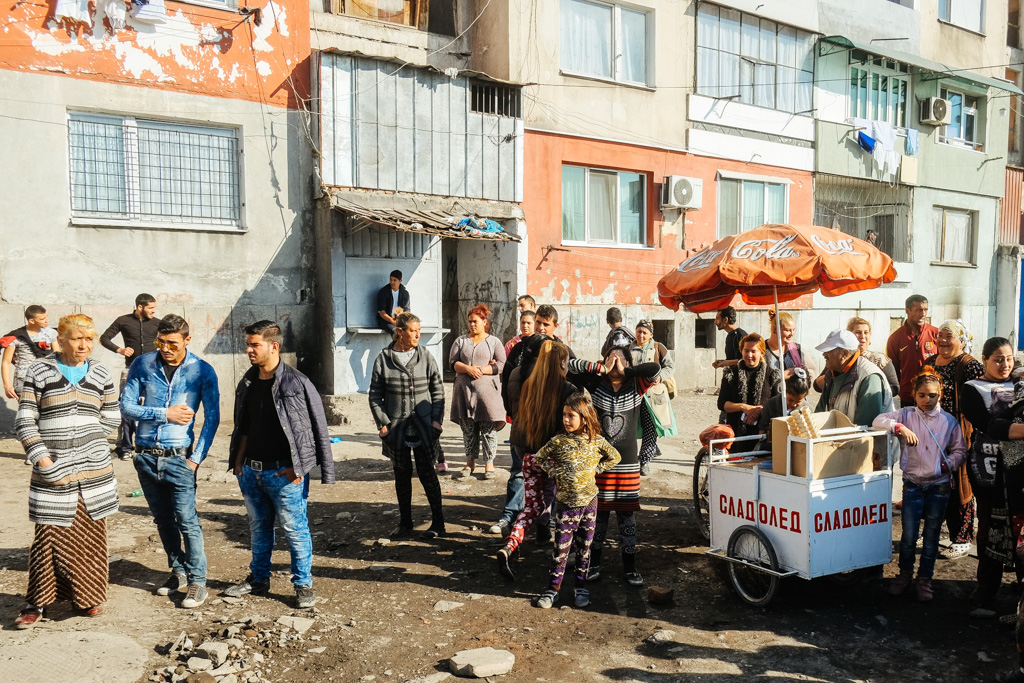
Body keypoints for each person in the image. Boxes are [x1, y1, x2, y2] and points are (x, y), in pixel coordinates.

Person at [13, 314, 119, 629]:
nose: (84, 345)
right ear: (62, 339)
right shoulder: (39, 370)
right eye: (77, 338)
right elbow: (25, 419)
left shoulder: (101, 372)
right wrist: (43, 458)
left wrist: (91, 447)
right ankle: (37, 603)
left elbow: (112, 416)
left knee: (90, 537)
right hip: (51, 471)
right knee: (48, 537)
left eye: (89, 339)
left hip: (93, 472)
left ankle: (87, 598)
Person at [223, 321, 336, 608]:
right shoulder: (247, 381)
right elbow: (243, 427)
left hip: (284, 474)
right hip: (251, 472)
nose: (248, 350)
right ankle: (258, 579)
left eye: (254, 345)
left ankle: (302, 584)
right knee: (259, 527)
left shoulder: (296, 382)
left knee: (295, 529)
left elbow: (314, 429)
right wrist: (239, 464)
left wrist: (299, 470)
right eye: (247, 344)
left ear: (274, 346)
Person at [121, 314, 220, 609]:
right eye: (161, 342)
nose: (166, 348)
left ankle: (197, 582)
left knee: (187, 521)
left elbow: (212, 419)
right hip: (145, 456)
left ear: (187, 340)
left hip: (179, 458)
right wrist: (163, 414)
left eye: (172, 343)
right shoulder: (142, 364)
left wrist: (196, 460)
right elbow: (125, 407)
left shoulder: (202, 370)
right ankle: (177, 572)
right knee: (163, 520)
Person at [874, 368, 967, 602]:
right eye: (922, 395)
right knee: (908, 535)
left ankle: (925, 579)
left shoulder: (949, 421)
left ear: (941, 395)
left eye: (932, 395)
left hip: (939, 487)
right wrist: (899, 428)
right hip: (913, 485)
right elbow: (878, 420)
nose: (927, 400)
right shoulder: (905, 415)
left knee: (932, 535)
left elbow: (960, 451)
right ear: (914, 395)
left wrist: (947, 466)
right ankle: (904, 575)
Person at [574, 347, 661, 586]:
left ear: (628, 363)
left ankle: (631, 568)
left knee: (627, 517)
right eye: (611, 358)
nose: (615, 362)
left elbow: (655, 369)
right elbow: (570, 368)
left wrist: (627, 370)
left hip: (628, 466)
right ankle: (595, 563)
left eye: (620, 358)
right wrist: (598, 367)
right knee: (598, 516)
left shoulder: (636, 386)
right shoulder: (595, 385)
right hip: (600, 465)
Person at [498, 338, 579, 577]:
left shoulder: (528, 384)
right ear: (562, 363)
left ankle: (511, 544)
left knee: (531, 504)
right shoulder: (567, 389)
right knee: (558, 501)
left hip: (528, 452)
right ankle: (562, 552)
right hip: (552, 456)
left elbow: (513, 411)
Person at [531, 392, 621, 609]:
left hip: (589, 502)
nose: (565, 419)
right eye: (564, 415)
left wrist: (595, 470)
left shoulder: (596, 441)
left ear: (585, 418)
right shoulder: (559, 441)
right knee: (560, 549)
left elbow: (615, 456)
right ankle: (553, 590)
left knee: (584, 548)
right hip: (565, 504)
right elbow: (539, 457)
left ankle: (581, 588)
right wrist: (555, 472)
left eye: (571, 415)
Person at [960, 338, 1024, 618]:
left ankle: (1021, 591)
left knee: (1020, 530)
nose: (1005, 364)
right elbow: (990, 426)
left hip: (1020, 473)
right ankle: (986, 589)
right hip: (989, 471)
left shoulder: (1020, 384)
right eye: (998, 359)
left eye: (1009, 358)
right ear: (984, 359)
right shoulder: (972, 389)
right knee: (988, 528)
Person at [369, 312, 446, 539]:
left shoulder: (425, 356)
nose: (417, 335)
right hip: (397, 429)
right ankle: (405, 523)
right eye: (413, 331)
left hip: (424, 427)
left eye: (419, 331)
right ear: (400, 332)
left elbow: (438, 391)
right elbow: (375, 395)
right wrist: (383, 423)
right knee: (401, 474)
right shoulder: (384, 358)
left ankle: (438, 523)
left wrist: (436, 421)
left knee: (427, 474)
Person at [922, 320, 983, 561]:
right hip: (931, 434)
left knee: (961, 486)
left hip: (958, 435)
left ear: (961, 339)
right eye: (940, 336)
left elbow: (981, 400)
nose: (943, 341)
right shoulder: (929, 363)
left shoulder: (968, 365)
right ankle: (935, 531)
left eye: (949, 336)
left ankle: (963, 538)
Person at [100, 293, 160, 460]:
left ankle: (148, 444)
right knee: (126, 408)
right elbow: (104, 338)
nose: (154, 311)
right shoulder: (123, 320)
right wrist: (120, 350)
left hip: (153, 373)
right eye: (151, 308)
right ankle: (124, 446)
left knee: (151, 406)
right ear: (140, 307)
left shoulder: (158, 323)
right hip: (130, 371)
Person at [449, 304, 506, 479]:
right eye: (470, 321)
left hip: (487, 394)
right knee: (468, 429)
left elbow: (502, 364)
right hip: (464, 392)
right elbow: (453, 363)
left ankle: (489, 464)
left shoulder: (494, 342)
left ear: (484, 322)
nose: (472, 324)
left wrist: (482, 369)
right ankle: (470, 463)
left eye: (476, 321)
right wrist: (467, 368)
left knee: (488, 428)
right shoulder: (460, 341)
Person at [718, 333, 782, 452]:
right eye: (746, 351)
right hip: (735, 435)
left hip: (762, 436)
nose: (749, 355)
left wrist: (759, 411)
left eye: (754, 351)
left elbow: (778, 405)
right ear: (741, 351)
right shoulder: (731, 374)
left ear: (762, 352)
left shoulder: (772, 375)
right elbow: (722, 403)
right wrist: (744, 408)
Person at [816, 329, 893, 427]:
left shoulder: (869, 376)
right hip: (840, 440)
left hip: (865, 441)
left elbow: (865, 428)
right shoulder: (831, 375)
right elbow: (819, 415)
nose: (824, 354)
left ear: (844, 354)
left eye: (829, 351)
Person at [632, 319, 674, 476]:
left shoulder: (658, 348)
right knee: (631, 427)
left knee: (651, 428)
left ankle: (644, 461)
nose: (641, 335)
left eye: (644, 332)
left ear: (650, 334)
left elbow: (670, 366)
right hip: (634, 394)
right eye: (639, 331)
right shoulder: (628, 349)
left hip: (652, 395)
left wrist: (660, 377)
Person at [886, 294, 938, 406]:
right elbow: (893, 371)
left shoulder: (936, 334)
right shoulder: (895, 339)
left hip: (932, 396)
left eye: (925, 310)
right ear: (907, 311)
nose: (923, 314)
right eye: (919, 310)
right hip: (908, 397)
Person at [2, 304, 58, 400]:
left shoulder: (51, 333)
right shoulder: (16, 337)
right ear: (31, 321)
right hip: (24, 380)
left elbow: (58, 355)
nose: (47, 320)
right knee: (27, 413)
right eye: (42, 319)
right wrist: (7, 386)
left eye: (47, 316)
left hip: (47, 379)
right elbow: (5, 362)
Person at [757, 368, 811, 442]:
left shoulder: (807, 409)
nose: (794, 404)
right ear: (785, 393)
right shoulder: (771, 404)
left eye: (798, 401)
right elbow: (762, 427)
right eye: (790, 400)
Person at [763, 309, 812, 380]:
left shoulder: (796, 349)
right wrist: (781, 376)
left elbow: (812, 372)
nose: (792, 334)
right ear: (775, 329)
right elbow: (758, 380)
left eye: (794, 329)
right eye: (788, 330)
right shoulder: (762, 351)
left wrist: (805, 372)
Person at [711, 306, 747, 370]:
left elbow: (746, 360)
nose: (715, 322)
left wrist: (726, 363)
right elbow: (733, 359)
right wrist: (722, 362)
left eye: (717, 318)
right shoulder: (730, 335)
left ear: (725, 320)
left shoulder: (741, 335)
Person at [376, 270, 411, 334]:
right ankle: (396, 344)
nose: (392, 282)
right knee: (396, 332)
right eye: (391, 279)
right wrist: (392, 321)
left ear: (400, 281)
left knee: (409, 331)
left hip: (400, 320)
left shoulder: (405, 293)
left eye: (395, 280)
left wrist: (402, 321)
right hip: (386, 321)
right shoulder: (383, 292)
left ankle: (404, 344)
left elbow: (407, 311)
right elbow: (381, 312)